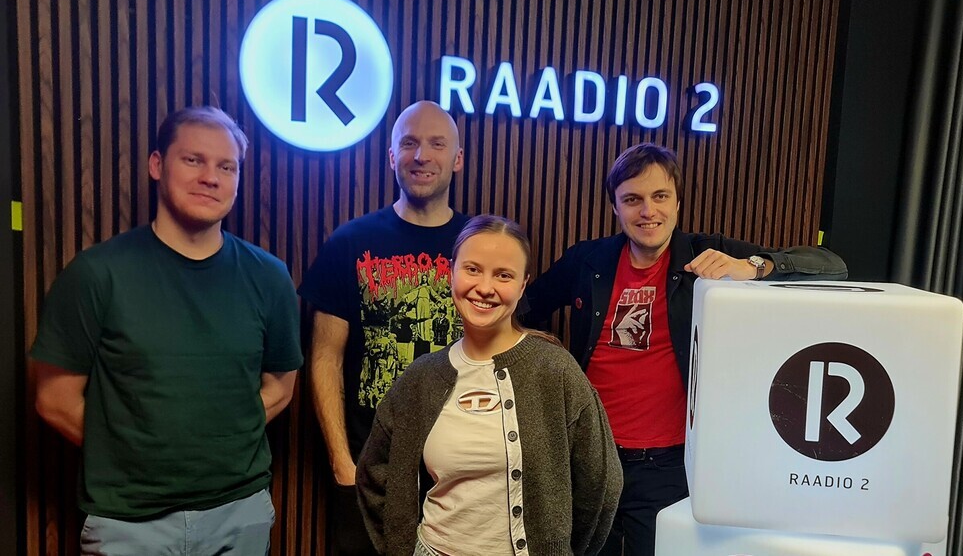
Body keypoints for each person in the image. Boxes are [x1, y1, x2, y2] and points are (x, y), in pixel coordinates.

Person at [523, 143, 847, 556]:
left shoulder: (706, 254)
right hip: (589, 456)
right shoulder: (588, 260)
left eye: (660, 196)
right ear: (615, 207)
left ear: (678, 201)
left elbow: (832, 265)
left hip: (667, 465)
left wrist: (753, 267)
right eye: (632, 199)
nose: (648, 211)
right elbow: (526, 309)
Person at [31, 106, 303, 554]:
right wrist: (141, 457)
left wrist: (214, 447)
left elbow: (280, 386)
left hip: (240, 512)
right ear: (157, 165)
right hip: (128, 520)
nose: (210, 177)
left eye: (226, 167)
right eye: (193, 160)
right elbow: (54, 399)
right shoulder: (96, 274)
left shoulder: (269, 277)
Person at [357, 215, 623, 556]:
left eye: (503, 275)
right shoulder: (422, 377)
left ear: (523, 285)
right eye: (472, 269)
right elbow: (375, 473)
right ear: (451, 272)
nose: (485, 287)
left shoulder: (555, 371)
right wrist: (402, 546)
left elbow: (602, 483)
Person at [299, 101, 469, 555]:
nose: (421, 155)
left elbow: (504, 357)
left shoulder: (482, 244)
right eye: (409, 143)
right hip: (371, 474)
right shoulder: (350, 242)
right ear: (392, 156)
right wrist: (343, 464)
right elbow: (325, 357)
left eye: (437, 144)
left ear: (457, 158)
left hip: (462, 478)